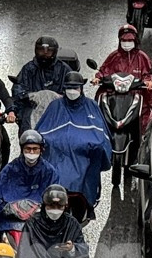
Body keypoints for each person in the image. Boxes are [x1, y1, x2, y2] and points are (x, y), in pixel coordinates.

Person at [35, 74, 111, 215]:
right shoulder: (55, 106)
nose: (72, 91)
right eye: (69, 88)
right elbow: (41, 132)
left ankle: (87, 202)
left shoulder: (91, 106)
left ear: (81, 88)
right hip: (57, 156)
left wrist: (93, 146)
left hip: (84, 157)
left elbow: (102, 136)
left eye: (75, 88)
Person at [0, 130, 59, 237]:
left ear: (41, 150)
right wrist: (7, 209)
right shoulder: (9, 170)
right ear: (22, 149)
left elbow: (54, 198)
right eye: (28, 148)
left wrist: (41, 210)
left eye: (35, 149)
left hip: (39, 221)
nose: (31, 152)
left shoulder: (49, 172)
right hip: (10, 222)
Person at [93, 24, 152, 126]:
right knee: (99, 112)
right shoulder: (114, 56)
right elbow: (104, 70)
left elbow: (149, 74)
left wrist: (149, 81)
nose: (126, 43)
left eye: (129, 40)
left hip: (136, 95)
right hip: (115, 96)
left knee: (146, 119)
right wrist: (97, 78)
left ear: (135, 40)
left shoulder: (142, 57)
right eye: (124, 40)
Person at [16, 184, 88, 258]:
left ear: (65, 206)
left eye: (59, 206)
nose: (55, 209)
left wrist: (72, 249)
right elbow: (23, 251)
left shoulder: (72, 224)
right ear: (44, 205)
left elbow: (83, 252)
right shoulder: (32, 223)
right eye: (51, 206)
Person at [12, 36, 74, 131]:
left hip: (58, 111)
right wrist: (25, 99)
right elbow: (18, 89)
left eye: (48, 52)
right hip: (33, 109)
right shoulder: (28, 69)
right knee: (26, 129)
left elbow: (74, 89)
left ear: (54, 52)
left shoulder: (63, 69)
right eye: (41, 51)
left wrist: (63, 98)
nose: (45, 54)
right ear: (36, 51)